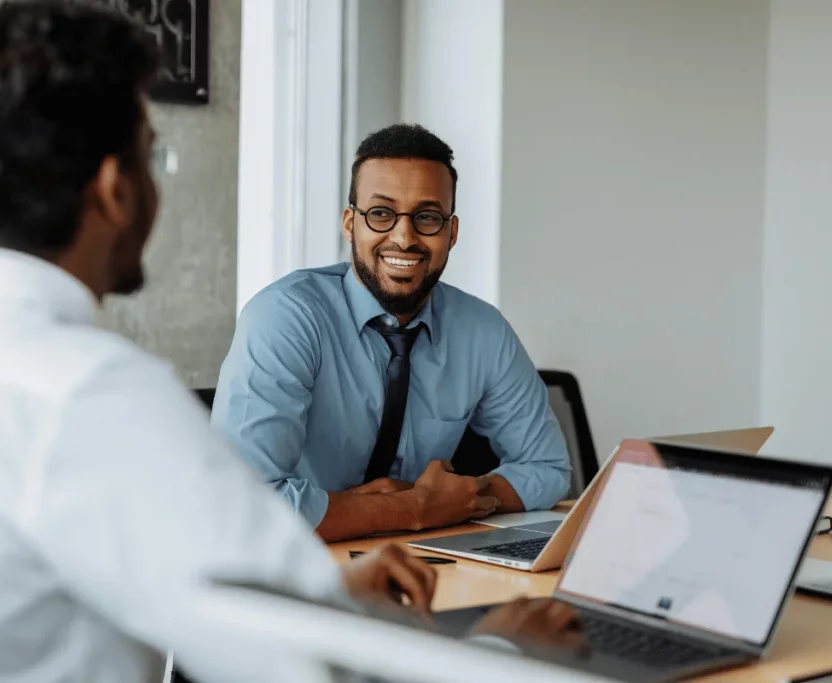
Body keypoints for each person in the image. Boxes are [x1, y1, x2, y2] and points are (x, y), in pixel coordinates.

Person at [0, 3, 582, 682]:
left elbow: (76, 574)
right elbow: (304, 669)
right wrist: (500, 651)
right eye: (155, 155)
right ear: (118, 188)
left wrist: (314, 589)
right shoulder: (93, 391)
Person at [212, 124, 571, 542]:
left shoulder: (483, 331)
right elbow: (242, 505)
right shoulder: (286, 317)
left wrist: (465, 496)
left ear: (451, 233)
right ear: (350, 224)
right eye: (381, 213)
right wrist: (412, 508)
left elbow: (548, 467)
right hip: (299, 568)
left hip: (429, 565)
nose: (404, 237)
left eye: (427, 217)